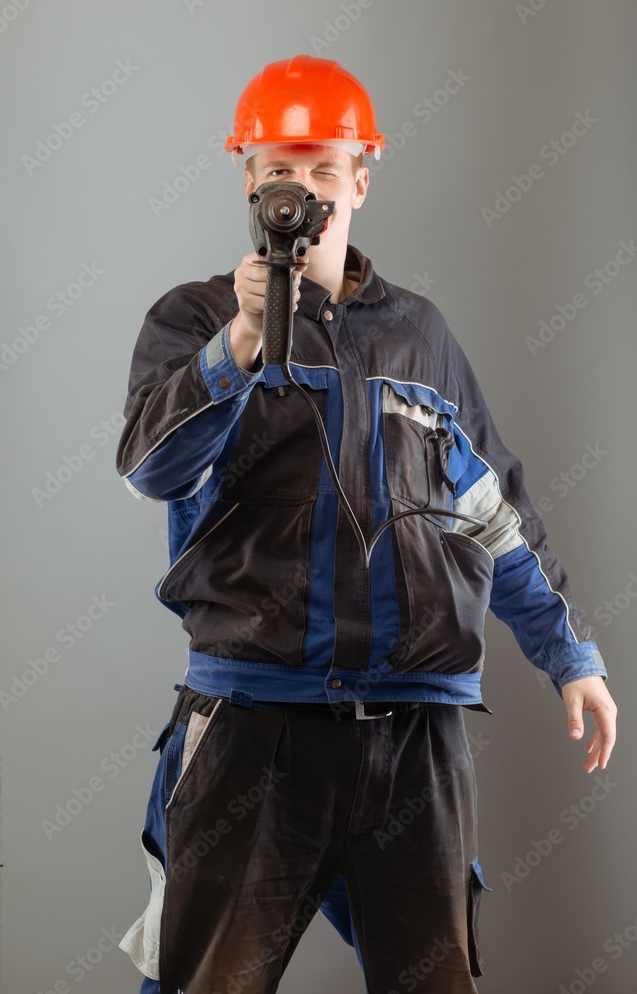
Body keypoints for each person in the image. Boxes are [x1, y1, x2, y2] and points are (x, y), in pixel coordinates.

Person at [115, 54, 617, 994]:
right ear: (248, 179)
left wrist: (571, 657)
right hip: (252, 725)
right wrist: (241, 344)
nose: (298, 188)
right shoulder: (193, 320)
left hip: (413, 739)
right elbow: (151, 468)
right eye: (277, 166)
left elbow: (493, 511)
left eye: (320, 166)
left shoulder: (417, 335)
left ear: (358, 179)